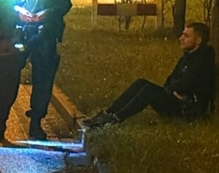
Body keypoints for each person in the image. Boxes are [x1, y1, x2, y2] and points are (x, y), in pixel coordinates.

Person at [1, 0, 72, 140]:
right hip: (17, 31)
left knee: (43, 77)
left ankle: (36, 123)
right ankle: (0, 122)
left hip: (44, 32)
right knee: (7, 76)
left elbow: (65, 2)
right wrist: (17, 13)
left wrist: (47, 13)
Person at [83, 23, 216, 129]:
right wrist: (173, 89)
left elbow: (185, 84)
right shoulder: (188, 56)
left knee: (148, 91)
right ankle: (108, 114)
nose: (181, 38)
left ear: (198, 40)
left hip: (187, 109)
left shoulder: (203, 61)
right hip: (176, 99)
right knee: (141, 82)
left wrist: (176, 89)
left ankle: (115, 120)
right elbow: (171, 79)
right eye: (182, 34)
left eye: (186, 36)